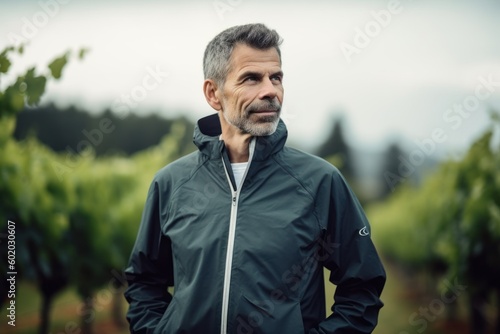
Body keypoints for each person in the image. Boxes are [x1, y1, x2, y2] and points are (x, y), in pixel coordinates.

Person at [124, 23, 386, 334]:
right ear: (213, 93)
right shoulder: (170, 183)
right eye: (251, 78)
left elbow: (362, 287)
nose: (270, 90)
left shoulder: (321, 182)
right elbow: (144, 282)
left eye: (276, 78)